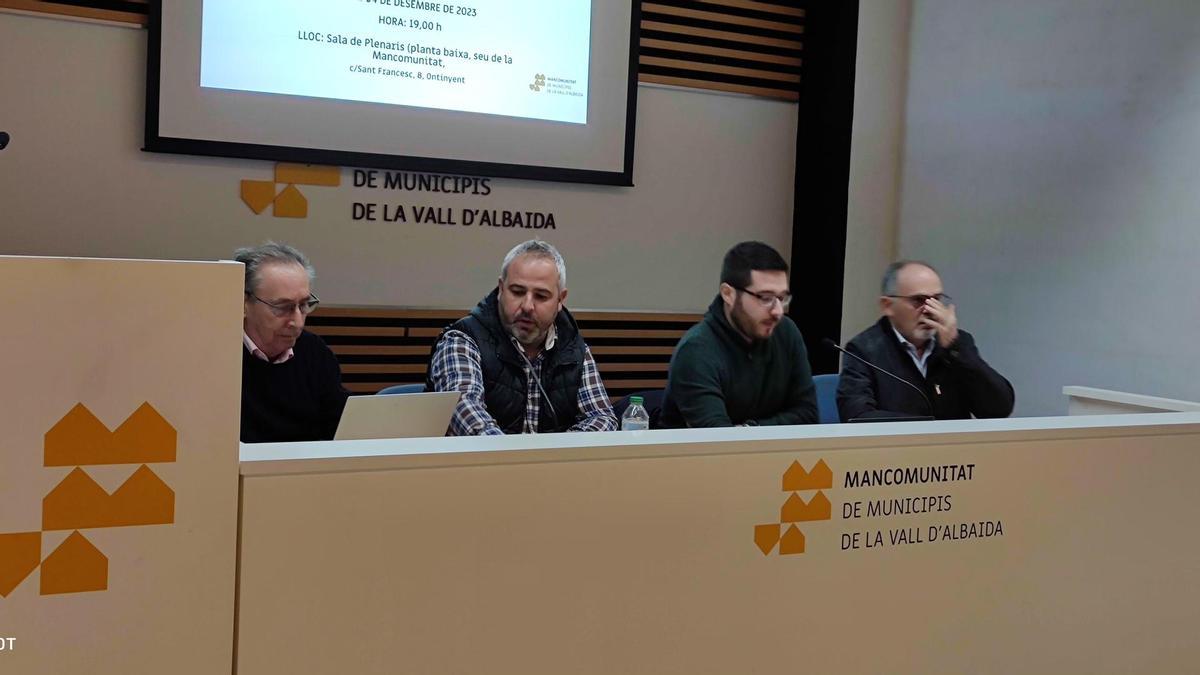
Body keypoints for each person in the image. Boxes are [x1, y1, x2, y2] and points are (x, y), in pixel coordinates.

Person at [426, 240, 617, 435]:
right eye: (517, 292)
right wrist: (516, 460)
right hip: (477, 464)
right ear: (501, 289)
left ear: (560, 299)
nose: (527, 306)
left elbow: (601, 417)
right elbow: (465, 410)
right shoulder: (463, 338)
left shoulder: (572, 346)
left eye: (541, 296)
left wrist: (555, 455)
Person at [661, 241, 818, 428]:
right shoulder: (696, 350)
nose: (778, 311)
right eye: (765, 298)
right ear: (728, 294)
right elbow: (718, 440)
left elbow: (808, 415)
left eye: (782, 298)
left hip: (773, 455)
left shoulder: (786, 332)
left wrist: (750, 429)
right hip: (695, 457)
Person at [836, 260, 1014, 421]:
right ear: (887, 306)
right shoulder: (864, 349)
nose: (930, 310)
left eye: (936, 300)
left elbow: (999, 409)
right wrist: (926, 427)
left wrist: (955, 348)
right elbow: (856, 416)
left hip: (954, 453)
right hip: (896, 453)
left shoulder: (957, 345)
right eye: (918, 300)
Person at [237, 242, 348, 442]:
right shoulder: (216, 353)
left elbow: (340, 429)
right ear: (243, 304)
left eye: (304, 305)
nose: (297, 321)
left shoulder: (315, 352)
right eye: (282, 307)